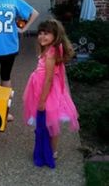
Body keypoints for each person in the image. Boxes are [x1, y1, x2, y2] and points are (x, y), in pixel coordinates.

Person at [23, 19, 80, 159]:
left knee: (52, 123)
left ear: (56, 35)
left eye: (47, 33)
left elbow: (48, 78)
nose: (42, 36)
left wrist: (42, 101)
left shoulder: (51, 54)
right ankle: (47, 147)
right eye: (40, 33)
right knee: (48, 122)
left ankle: (52, 151)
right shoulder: (49, 49)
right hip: (40, 88)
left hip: (47, 91)